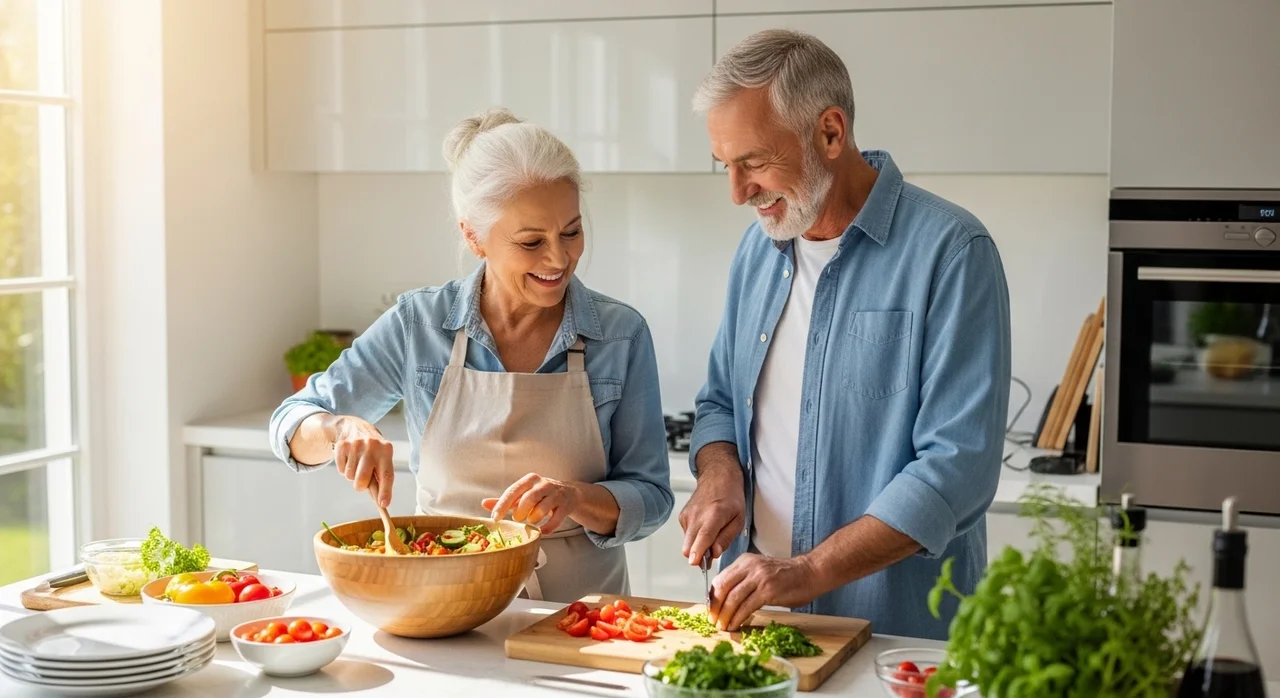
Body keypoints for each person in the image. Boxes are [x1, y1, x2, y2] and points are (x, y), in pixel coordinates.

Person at [679, 29, 1012, 640]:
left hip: (896, 635)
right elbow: (720, 403)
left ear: (830, 133)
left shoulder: (952, 252)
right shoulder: (758, 250)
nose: (737, 192)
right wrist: (719, 472)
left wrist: (806, 571)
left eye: (754, 161)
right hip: (756, 626)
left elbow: (956, 469)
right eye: (726, 166)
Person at [269, 107, 674, 603]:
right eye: (531, 242)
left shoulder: (620, 335)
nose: (558, 257)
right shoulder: (418, 325)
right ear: (474, 237)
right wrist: (338, 430)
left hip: (578, 622)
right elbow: (291, 423)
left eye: (571, 232)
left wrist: (576, 499)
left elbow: (652, 497)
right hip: (440, 608)